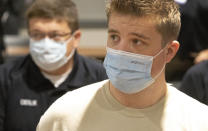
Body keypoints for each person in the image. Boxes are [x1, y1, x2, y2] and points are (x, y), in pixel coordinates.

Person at [37, 0, 208, 131]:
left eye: (137, 41)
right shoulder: (63, 117)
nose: (121, 51)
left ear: (169, 51)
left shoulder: (198, 122)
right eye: (114, 37)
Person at [0, 0, 108, 130]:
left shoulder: (100, 79)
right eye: (37, 35)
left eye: (56, 35)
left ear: (76, 38)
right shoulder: (5, 77)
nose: (46, 44)